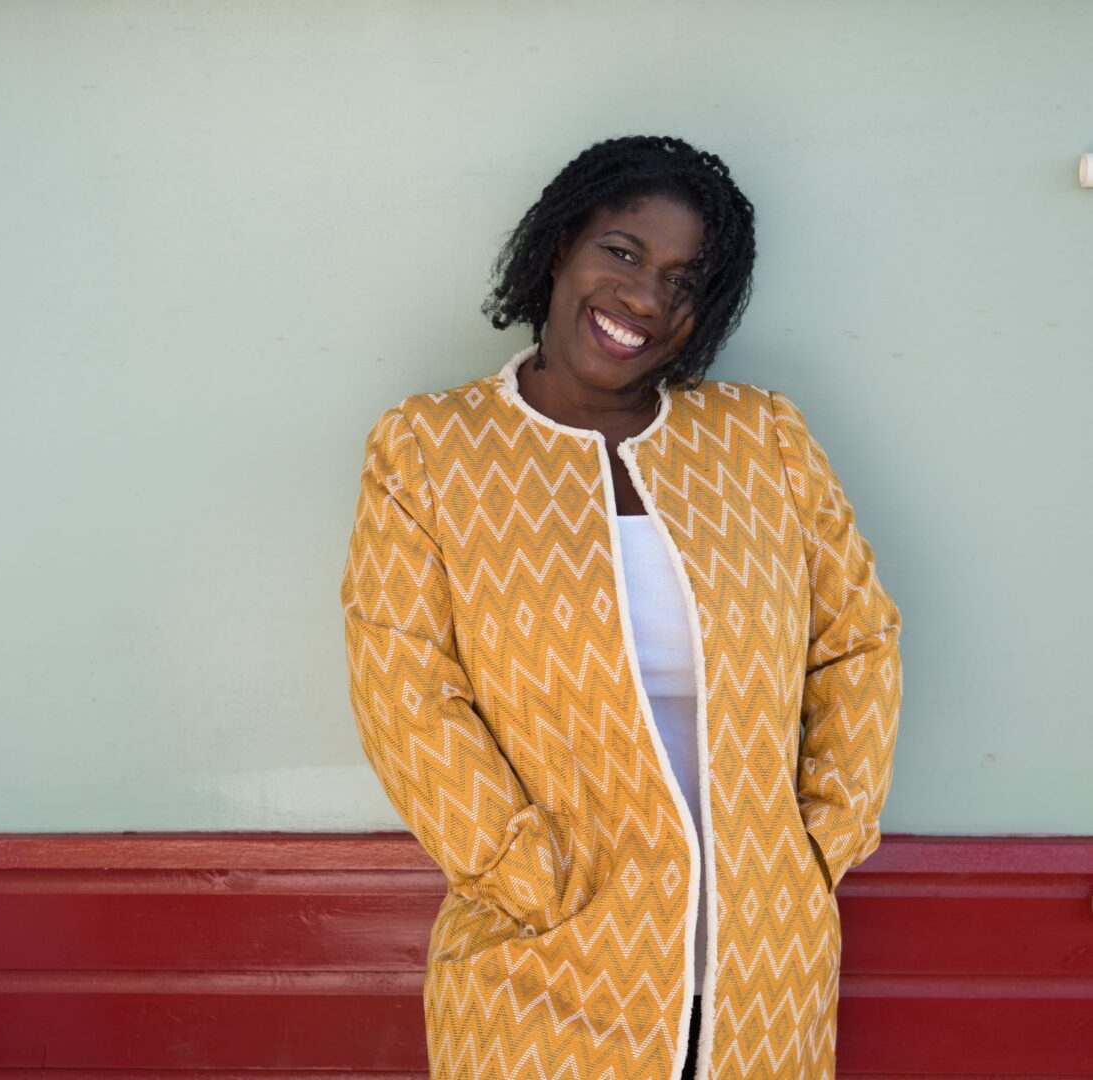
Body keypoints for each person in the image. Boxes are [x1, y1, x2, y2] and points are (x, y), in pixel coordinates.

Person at [341, 135, 903, 1080]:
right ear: (562, 244)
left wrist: (819, 843)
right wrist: (531, 880)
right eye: (625, 252)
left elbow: (857, 642)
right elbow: (404, 687)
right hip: (543, 961)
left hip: (762, 968)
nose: (645, 298)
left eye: (686, 282)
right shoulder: (431, 451)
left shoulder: (760, 439)